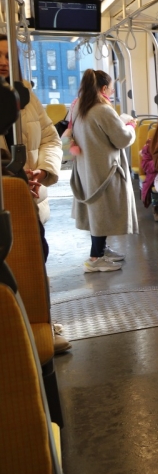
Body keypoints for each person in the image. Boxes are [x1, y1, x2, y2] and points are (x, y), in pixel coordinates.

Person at [0, 36, 70, 352]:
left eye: (8, 55)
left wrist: (42, 169)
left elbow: (50, 139)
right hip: (6, 194)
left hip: (30, 197)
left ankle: (40, 321)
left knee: (35, 261)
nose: (3, 62)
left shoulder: (26, 97)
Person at [68, 69, 137, 273]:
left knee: (97, 211)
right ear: (104, 88)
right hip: (104, 169)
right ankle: (95, 258)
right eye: (111, 88)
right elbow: (123, 139)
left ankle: (101, 250)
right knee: (102, 211)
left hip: (86, 167)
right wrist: (131, 126)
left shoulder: (78, 106)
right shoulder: (102, 109)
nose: (112, 91)